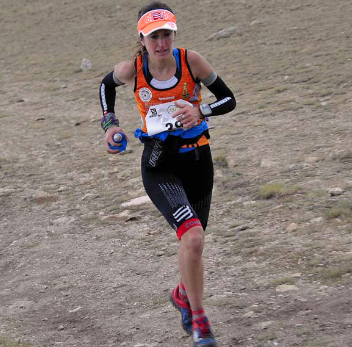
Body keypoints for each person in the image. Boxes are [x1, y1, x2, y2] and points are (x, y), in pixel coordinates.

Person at [98, 2, 236, 346]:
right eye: (154, 36)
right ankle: (200, 320)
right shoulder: (134, 69)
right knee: (192, 237)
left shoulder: (192, 61)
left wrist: (199, 108)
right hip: (160, 167)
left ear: (173, 34)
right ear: (143, 39)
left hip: (198, 162)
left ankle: (181, 294)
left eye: (166, 35)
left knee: (196, 244)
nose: (161, 43)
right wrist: (109, 125)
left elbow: (229, 99)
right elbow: (105, 86)